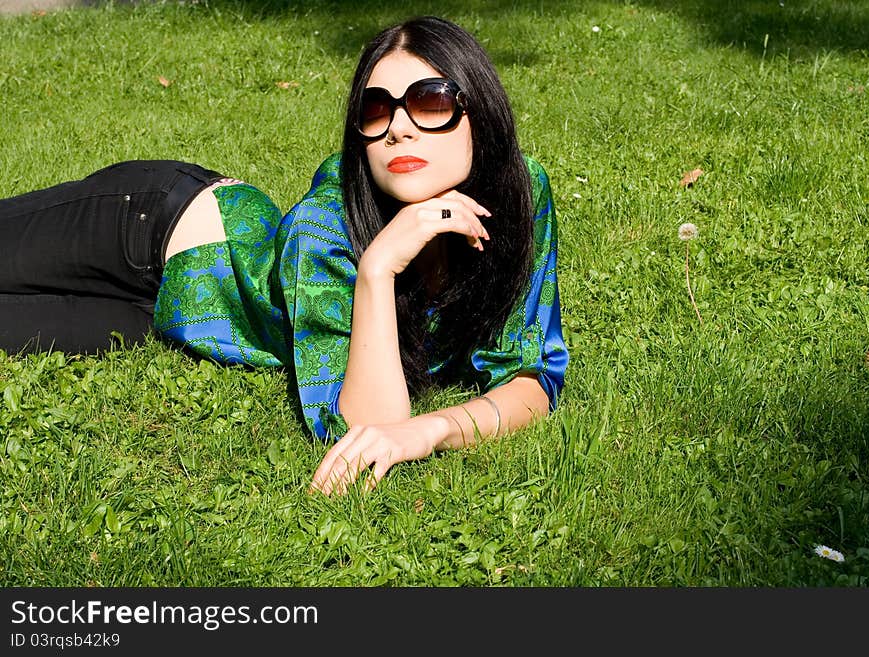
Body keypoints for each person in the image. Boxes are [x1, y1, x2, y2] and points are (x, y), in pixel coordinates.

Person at [0, 16, 568, 495]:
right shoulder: (325, 228)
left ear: (481, 111)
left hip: (161, 317)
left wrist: (433, 431)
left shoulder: (519, 195)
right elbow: (358, 429)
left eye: (430, 101)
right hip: (147, 226)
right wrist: (377, 266)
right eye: (376, 110)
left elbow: (529, 376)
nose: (398, 128)